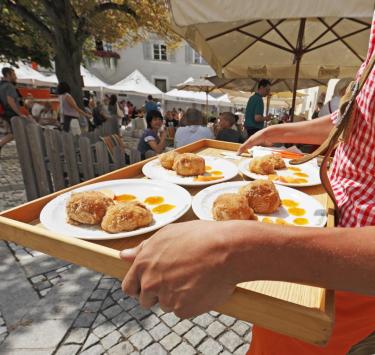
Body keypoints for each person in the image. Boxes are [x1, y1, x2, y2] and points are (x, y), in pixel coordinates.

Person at [121, 13, 375, 355]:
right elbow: (356, 118)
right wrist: (282, 131)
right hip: (321, 216)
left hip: (348, 265)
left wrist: (243, 250)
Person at [0, 67, 32, 153]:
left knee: (14, 133)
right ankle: (27, 150)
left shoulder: (1, 85)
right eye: (13, 75)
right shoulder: (9, 86)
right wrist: (19, 113)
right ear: (7, 75)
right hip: (11, 113)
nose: (15, 77)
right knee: (23, 129)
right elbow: (10, 100)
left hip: (5, 112)